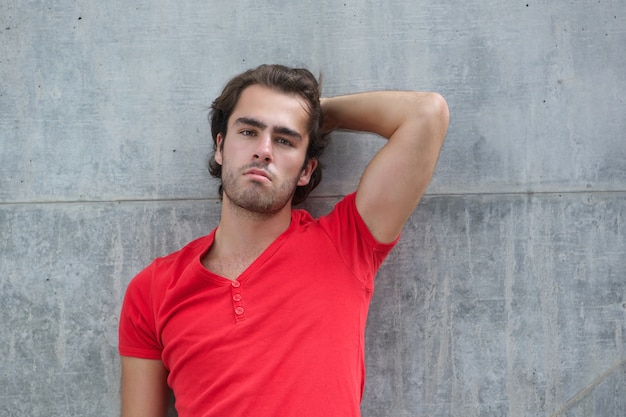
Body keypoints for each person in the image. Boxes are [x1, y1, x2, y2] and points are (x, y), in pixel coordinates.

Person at [118, 64, 449, 417]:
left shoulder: (345, 245)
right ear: (220, 146)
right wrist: (296, 124)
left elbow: (426, 114)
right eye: (248, 132)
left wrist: (319, 114)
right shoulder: (153, 288)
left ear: (306, 169)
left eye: (285, 140)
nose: (263, 150)